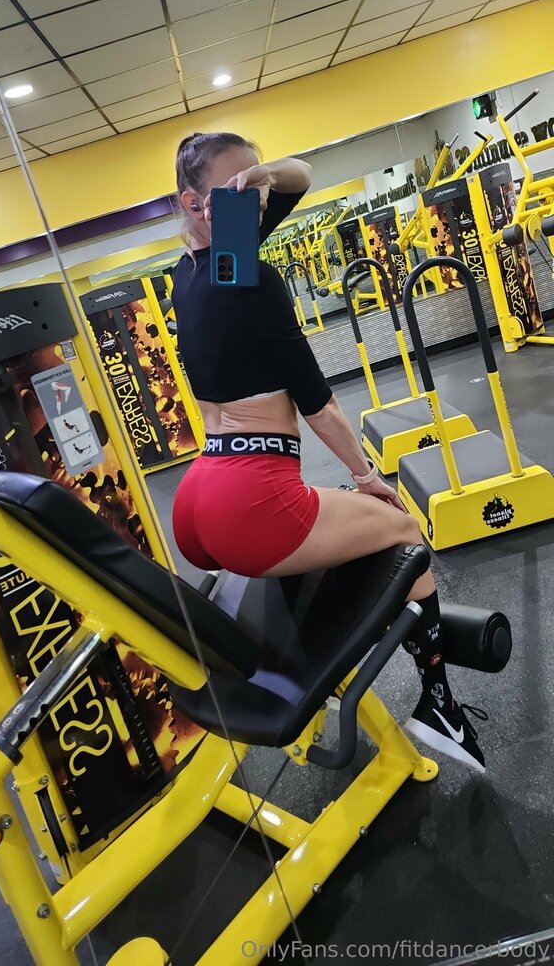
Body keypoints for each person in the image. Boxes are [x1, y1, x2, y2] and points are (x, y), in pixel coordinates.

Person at [171, 131, 486, 774]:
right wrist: (366, 476)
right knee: (402, 526)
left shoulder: (187, 274)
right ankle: (439, 705)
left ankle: (332, 663)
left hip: (199, 498)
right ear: (193, 203)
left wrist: (256, 179)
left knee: (331, 524)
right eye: (235, 191)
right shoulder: (254, 278)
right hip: (250, 502)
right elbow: (318, 404)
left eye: (255, 187)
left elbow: (300, 175)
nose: (257, 201)